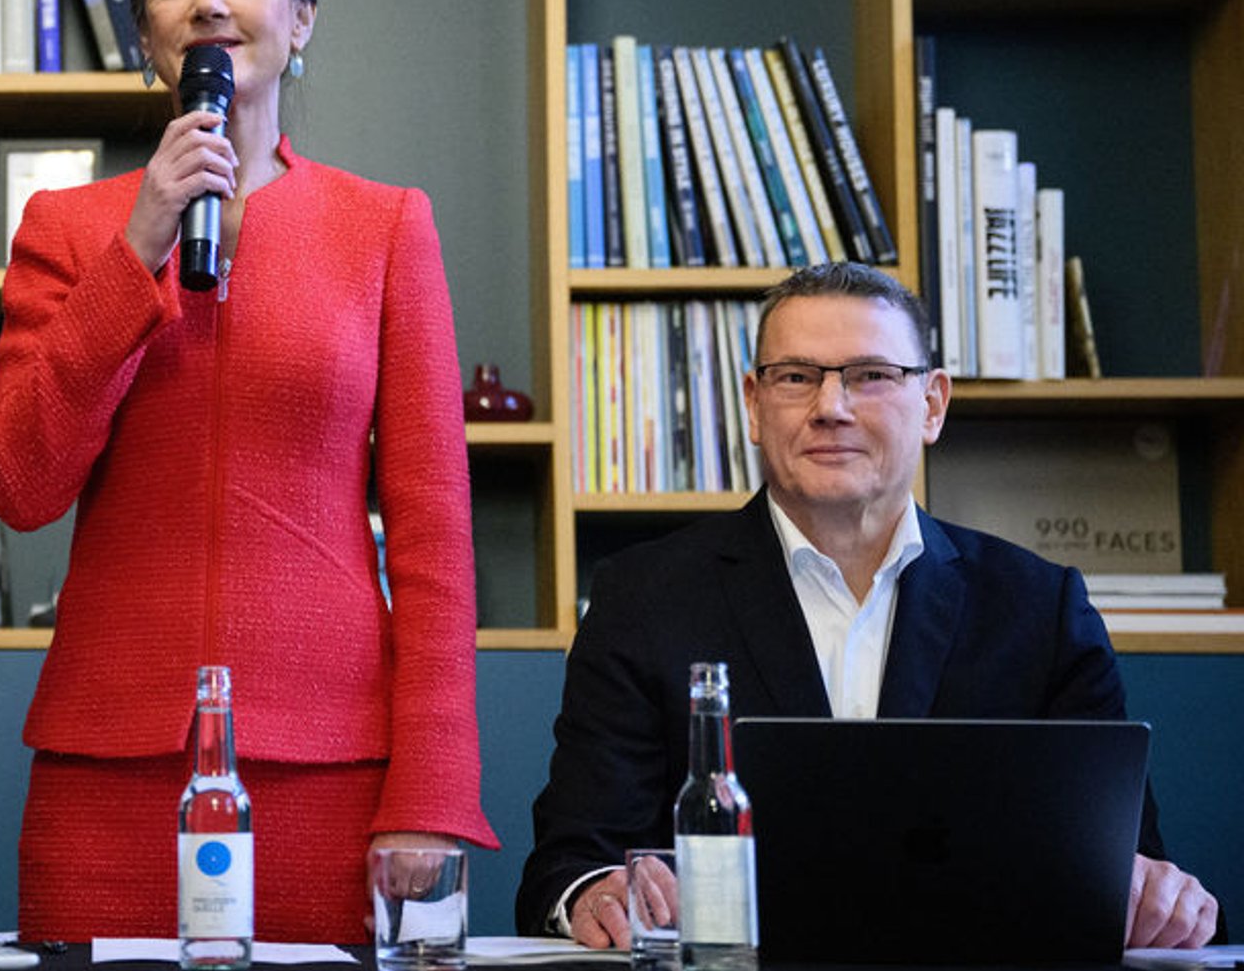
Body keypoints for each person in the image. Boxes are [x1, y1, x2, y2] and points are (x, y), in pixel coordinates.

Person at [0, 0, 497, 941]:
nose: (207, 1)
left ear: (298, 17)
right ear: (149, 36)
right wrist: (139, 247)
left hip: (328, 760)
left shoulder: (385, 225)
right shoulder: (68, 227)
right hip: (105, 759)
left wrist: (431, 790)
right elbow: (18, 483)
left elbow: (436, 532)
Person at [514, 262, 1222, 950]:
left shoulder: (1041, 608)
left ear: (934, 403)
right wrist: (596, 892)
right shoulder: (642, 598)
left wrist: (1159, 897)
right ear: (754, 406)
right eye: (796, 376)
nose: (831, 406)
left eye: (871, 375)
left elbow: (1128, 865)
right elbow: (570, 861)